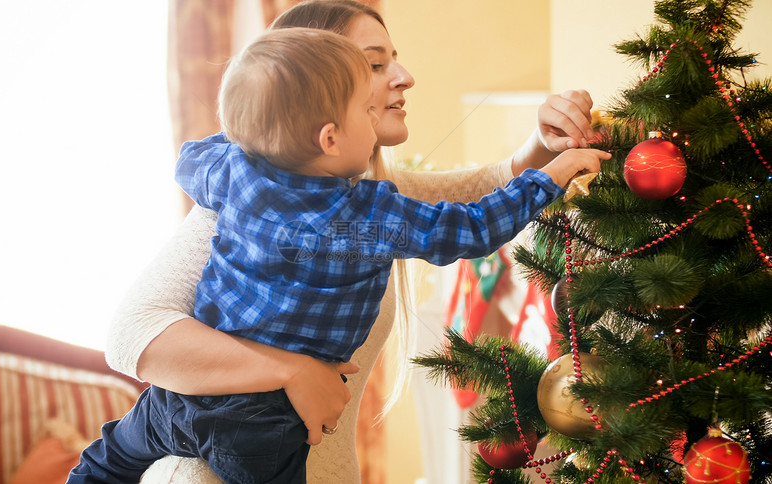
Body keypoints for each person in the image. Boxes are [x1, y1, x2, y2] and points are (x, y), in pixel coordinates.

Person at [105, 1, 603, 482]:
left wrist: (546, 146)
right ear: (317, 107)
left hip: (284, 454)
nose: (404, 75)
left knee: (103, 463)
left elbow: (476, 194)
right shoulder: (268, 206)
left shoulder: (309, 190)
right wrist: (292, 372)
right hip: (220, 467)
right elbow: (132, 335)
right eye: (373, 64)